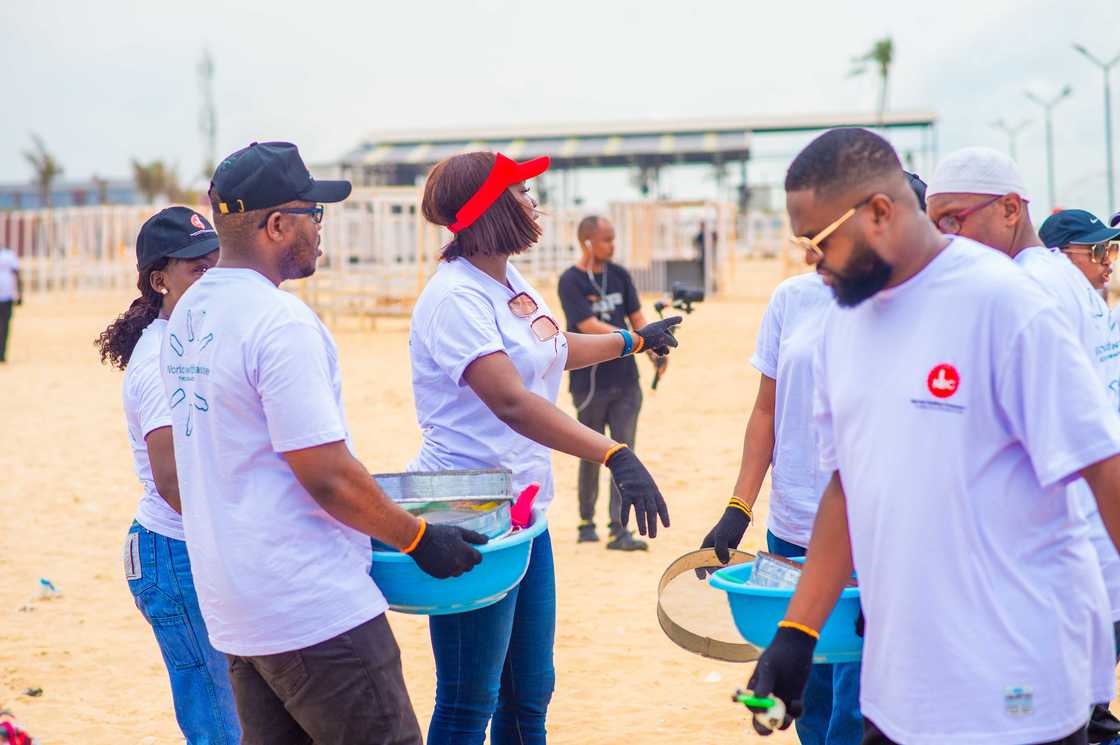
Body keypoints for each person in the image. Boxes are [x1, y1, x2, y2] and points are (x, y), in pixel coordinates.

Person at [747, 128, 1120, 745]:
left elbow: (1103, 467)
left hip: (1016, 690)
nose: (812, 260)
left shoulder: (1005, 304)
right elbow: (848, 486)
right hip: (900, 694)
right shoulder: (839, 324)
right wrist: (797, 633)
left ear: (881, 213)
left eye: (819, 241)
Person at [164, 142, 485, 745]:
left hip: (236, 608)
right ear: (277, 225)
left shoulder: (190, 313)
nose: (319, 227)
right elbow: (326, 474)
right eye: (314, 213)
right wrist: (419, 539)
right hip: (311, 609)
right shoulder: (278, 321)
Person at [409, 150, 679, 744]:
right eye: (521, 193)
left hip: (524, 511)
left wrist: (632, 340)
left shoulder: (508, 280)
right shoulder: (456, 297)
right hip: (466, 512)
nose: (534, 203)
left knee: (529, 694)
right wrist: (614, 453)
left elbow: (551, 351)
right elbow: (509, 398)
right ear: (490, 209)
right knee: (467, 701)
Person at [927, 153, 1120, 741]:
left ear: (1011, 209)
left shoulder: (1021, 289)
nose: (945, 238)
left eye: (955, 220)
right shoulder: (1060, 279)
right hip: (1072, 552)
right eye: (936, 225)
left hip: (1046, 556)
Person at [94, 206, 239, 744]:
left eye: (216, 265)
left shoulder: (195, 342)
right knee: (220, 725)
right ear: (160, 280)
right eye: (196, 269)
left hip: (196, 545)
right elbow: (173, 481)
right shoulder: (160, 358)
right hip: (175, 553)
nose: (211, 278)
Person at [557, 214, 661, 550]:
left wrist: (655, 349)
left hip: (626, 380)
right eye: (606, 239)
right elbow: (586, 326)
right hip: (590, 383)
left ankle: (619, 529)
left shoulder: (620, 275)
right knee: (591, 452)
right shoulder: (570, 280)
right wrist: (634, 339)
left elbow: (637, 317)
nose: (612, 246)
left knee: (623, 452)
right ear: (587, 241)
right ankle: (586, 522)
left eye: (614, 238)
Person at [1040, 208, 1120, 294]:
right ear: (1060, 256)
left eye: (1112, 249)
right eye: (1098, 251)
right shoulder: (1041, 301)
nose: (1108, 261)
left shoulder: (1090, 296)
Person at [0, 243, 21, 362]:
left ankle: (2, 353)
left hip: (7, 296)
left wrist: (19, 294)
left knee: (5, 326)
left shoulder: (9, 256)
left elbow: (17, 274)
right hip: (6, 295)